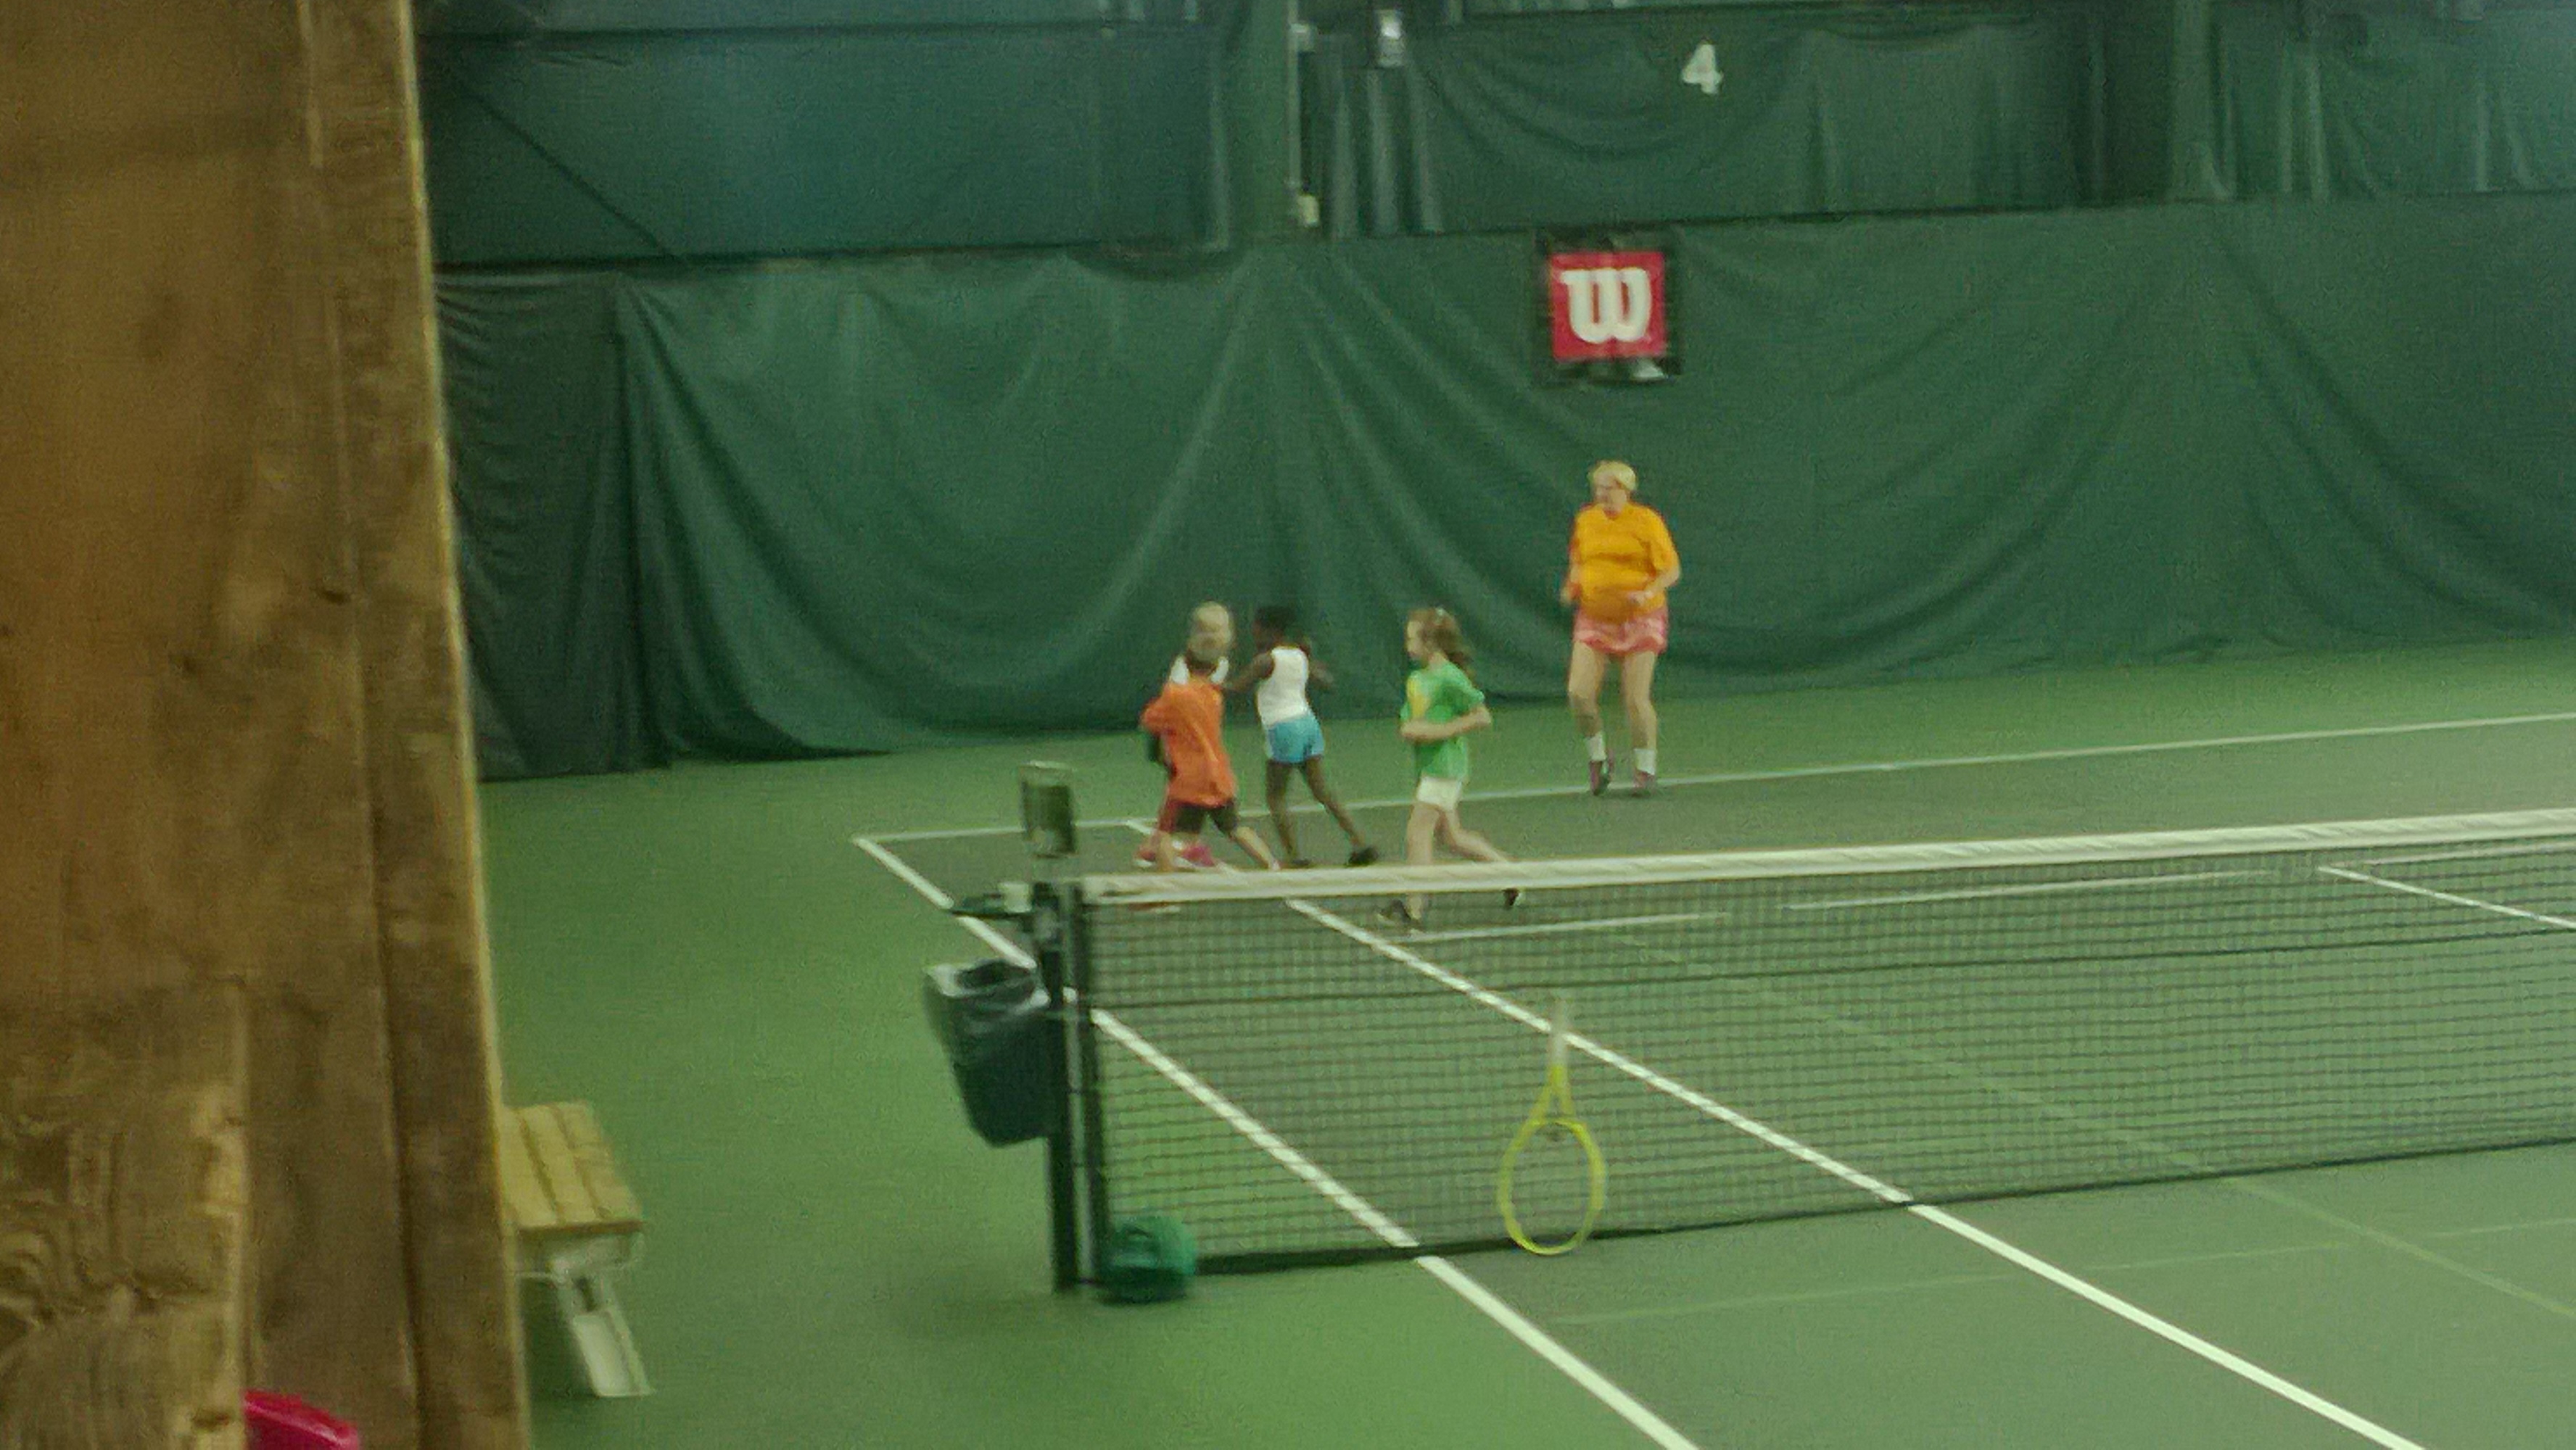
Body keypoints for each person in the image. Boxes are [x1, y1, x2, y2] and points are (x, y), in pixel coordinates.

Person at [1382, 608, 1513, 928]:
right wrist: (1413, 730)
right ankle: (1513, 877)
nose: (1407, 645)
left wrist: (1440, 731)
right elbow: (1410, 723)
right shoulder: (1417, 679)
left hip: (1446, 768)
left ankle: (1414, 910)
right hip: (1427, 766)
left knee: (1417, 833)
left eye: (1412, 639)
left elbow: (1481, 716)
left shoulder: (1451, 677)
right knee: (1452, 838)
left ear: (1431, 642)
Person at [1561, 459, 1680, 795]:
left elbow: (1671, 571)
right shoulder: (1586, 520)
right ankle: (1599, 758)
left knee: (1636, 699)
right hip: (1594, 618)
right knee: (1579, 693)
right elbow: (1579, 561)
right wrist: (1572, 586)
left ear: (1626, 490)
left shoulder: (1647, 521)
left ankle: (1645, 768)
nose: (1602, 494)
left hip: (1642, 618)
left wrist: (1648, 592)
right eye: (1598, 488)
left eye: (1609, 488)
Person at [1225, 605, 1377, 868]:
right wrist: (1309, 660)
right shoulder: (1298, 655)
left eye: (1256, 629)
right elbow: (1327, 682)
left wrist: (1203, 683)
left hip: (1283, 729)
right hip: (1308, 725)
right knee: (1323, 791)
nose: (1253, 633)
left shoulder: (1265, 661)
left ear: (1268, 630)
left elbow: (1235, 689)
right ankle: (1360, 842)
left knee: (1276, 796)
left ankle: (1294, 857)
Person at [1139, 647, 1280, 874]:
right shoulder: (1215, 695)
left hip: (1189, 780)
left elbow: (1149, 720)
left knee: (1166, 837)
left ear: (1185, 665)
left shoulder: (1175, 695)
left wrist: (1170, 688)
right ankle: (1272, 867)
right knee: (1235, 827)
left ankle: (1166, 888)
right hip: (1219, 776)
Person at [1136, 602, 1234, 868]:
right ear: (1195, 635)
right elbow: (1164, 712)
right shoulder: (1183, 670)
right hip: (1171, 735)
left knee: (1185, 798)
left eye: (1219, 629)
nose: (1214, 635)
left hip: (1197, 743)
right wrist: (1163, 752)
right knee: (1178, 795)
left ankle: (1184, 846)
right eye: (1208, 630)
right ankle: (1159, 845)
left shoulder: (1221, 664)